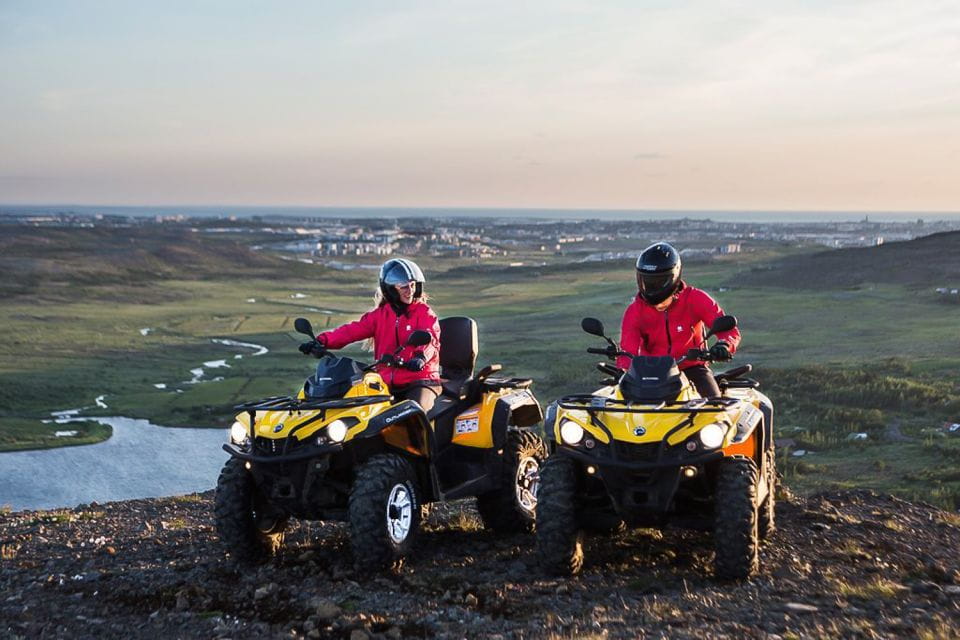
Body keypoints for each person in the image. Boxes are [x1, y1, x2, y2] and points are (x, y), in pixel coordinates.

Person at [305, 258, 442, 413]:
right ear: (390, 289)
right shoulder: (379, 316)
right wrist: (322, 341)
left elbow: (431, 340)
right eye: (404, 286)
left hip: (420, 381)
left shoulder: (424, 313)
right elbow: (352, 331)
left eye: (412, 285)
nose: (410, 290)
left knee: (414, 413)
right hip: (383, 383)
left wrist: (421, 357)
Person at [616, 242, 740, 398]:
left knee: (714, 408)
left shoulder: (696, 299)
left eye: (659, 281)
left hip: (692, 369)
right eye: (647, 281)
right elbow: (627, 351)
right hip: (650, 374)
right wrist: (623, 371)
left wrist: (725, 345)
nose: (652, 287)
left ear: (673, 277)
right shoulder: (635, 311)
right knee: (622, 407)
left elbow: (728, 330)